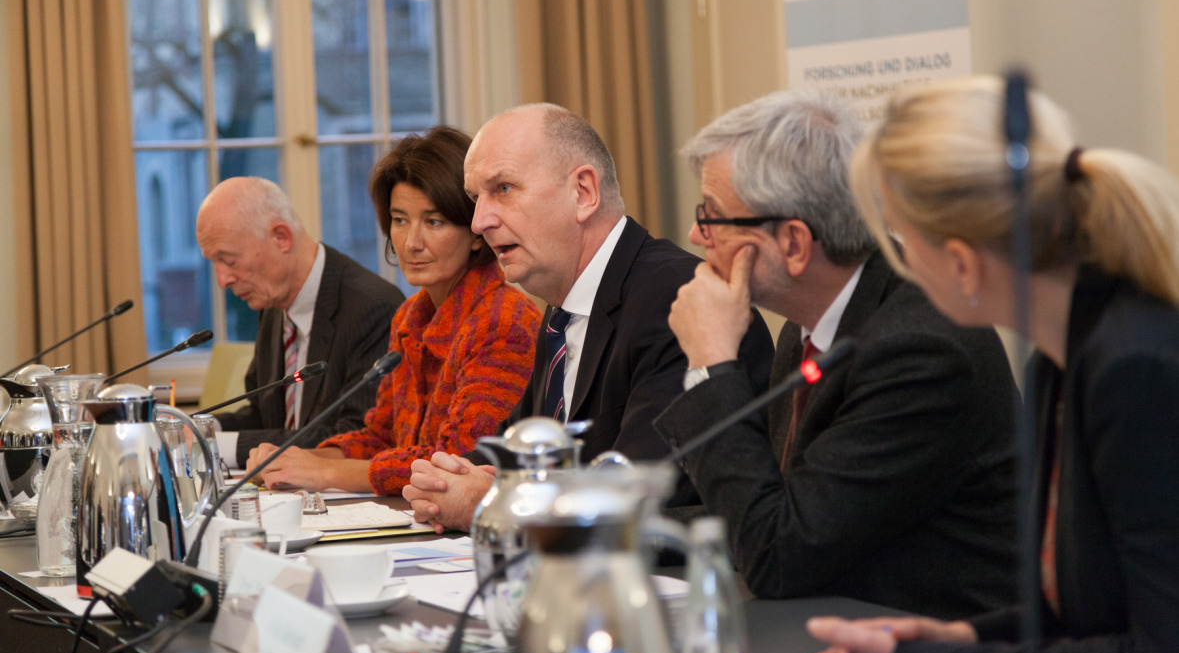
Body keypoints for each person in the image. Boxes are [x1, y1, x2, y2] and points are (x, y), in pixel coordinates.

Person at [806, 75, 1179, 653]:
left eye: (903, 241)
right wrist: (956, 636)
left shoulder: (1135, 369)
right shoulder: (1060, 362)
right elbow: (1089, 615)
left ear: (961, 263)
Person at [652, 88, 1019, 620]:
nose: (693, 234)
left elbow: (779, 555)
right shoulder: (805, 329)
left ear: (795, 245)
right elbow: (765, 510)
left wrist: (712, 365)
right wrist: (615, 530)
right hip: (834, 626)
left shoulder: (920, 352)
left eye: (711, 216)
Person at [402, 103, 774, 532]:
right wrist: (445, 481)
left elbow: (642, 490)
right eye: (475, 198)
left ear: (583, 193)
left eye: (502, 189)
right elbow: (518, 445)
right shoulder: (563, 308)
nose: (480, 220)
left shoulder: (673, 299)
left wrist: (493, 504)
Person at [245, 127, 541, 494]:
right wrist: (295, 460)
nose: (411, 243)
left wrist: (322, 474)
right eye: (400, 220)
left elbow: (459, 463)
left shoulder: (504, 323)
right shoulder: (410, 318)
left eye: (434, 222)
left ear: (477, 230)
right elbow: (380, 438)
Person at [196, 176, 404, 469]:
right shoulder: (272, 301)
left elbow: (355, 437)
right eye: (213, 263)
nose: (222, 279)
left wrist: (221, 448)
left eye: (228, 260)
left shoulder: (372, 307)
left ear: (281, 237)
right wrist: (201, 428)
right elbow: (265, 414)